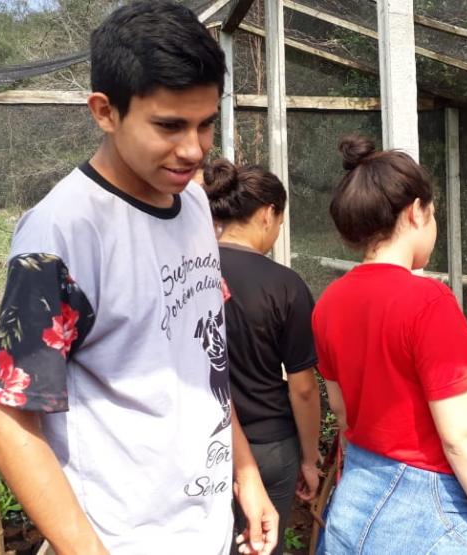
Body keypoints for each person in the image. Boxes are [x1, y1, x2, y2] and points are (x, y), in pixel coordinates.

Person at [0, 3, 277, 553]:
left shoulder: (190, 201)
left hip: (205, 528)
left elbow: (203, 358)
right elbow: (7, 421)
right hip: (124, 538)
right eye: (169, 125)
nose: (194, 149)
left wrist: (246, 473)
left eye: (205, 122)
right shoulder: (60, 234)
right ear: (105, 111)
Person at [312, 136, 467, 555]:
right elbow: (460, 435)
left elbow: (340, 409)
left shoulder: (329, 301)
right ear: (416, 212)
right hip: (424, 499)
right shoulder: (428, 301)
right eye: (434, 213)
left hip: (357, 483)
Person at [202, 159, 322, 554]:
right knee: (259, 542)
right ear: (268, 214)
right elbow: (302, 388)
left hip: (202, 446)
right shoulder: (284, 286)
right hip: (269, 446)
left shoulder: (189, 274)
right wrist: (309, 458)